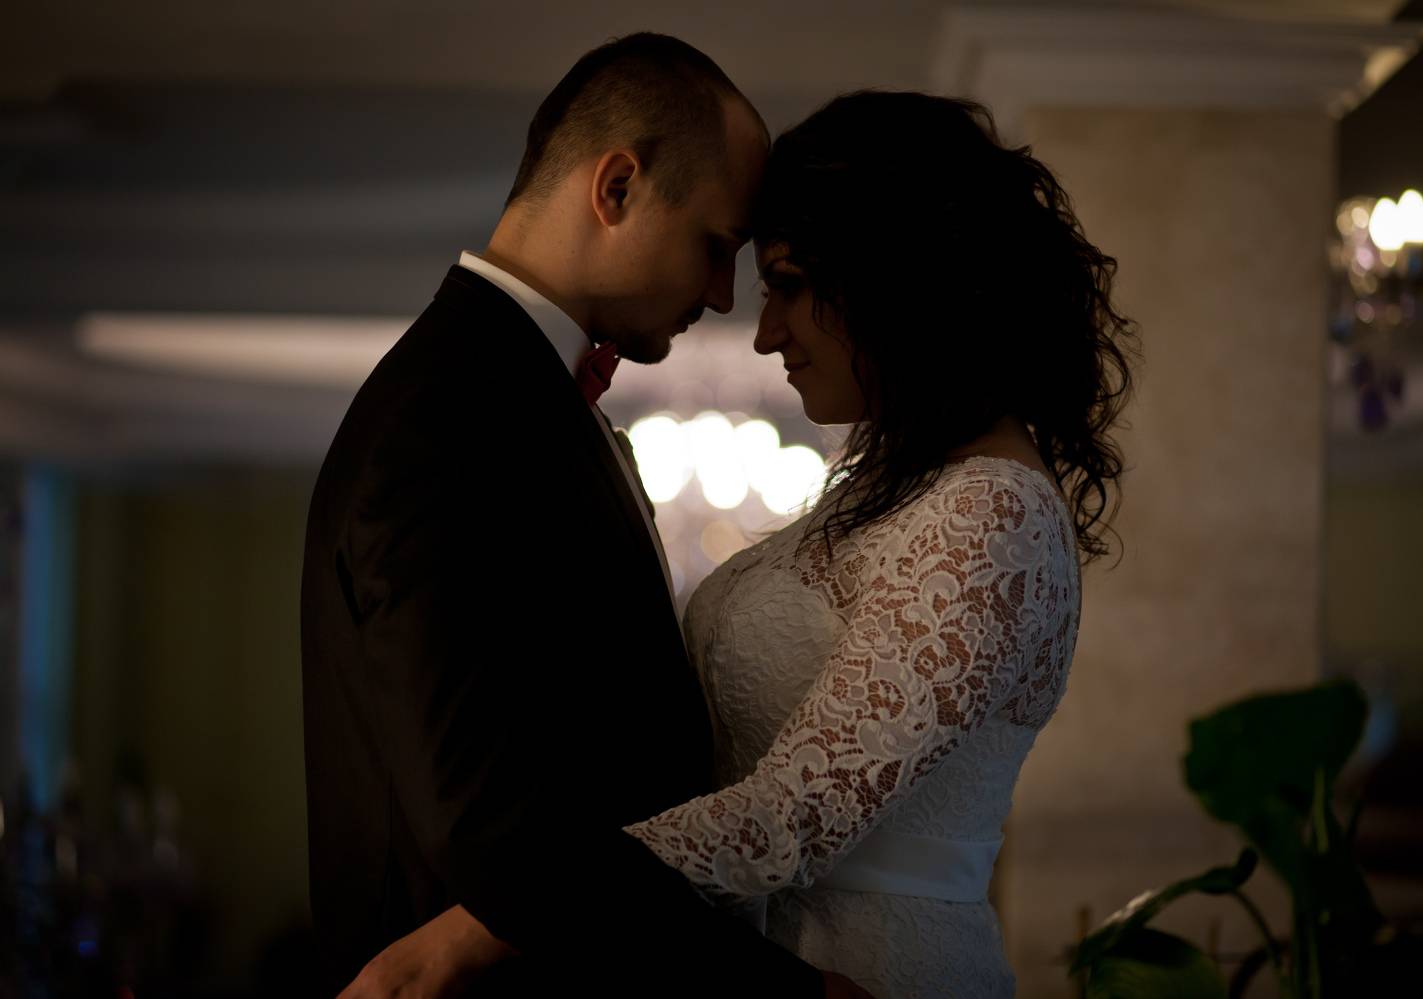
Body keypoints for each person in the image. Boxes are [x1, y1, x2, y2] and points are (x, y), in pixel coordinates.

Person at [356, 90, 1135, 997]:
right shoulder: (892, 490)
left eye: (789, 286)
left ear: (897, 276)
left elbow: (790, 813)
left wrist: (482, 927)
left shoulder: (993, 512)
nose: (765, 333)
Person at [302, 32, 864, 997]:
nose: (722, 296)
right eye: (716, 247)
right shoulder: (443, 418)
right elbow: (490, 831)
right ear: (617, 188)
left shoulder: (521, 398)